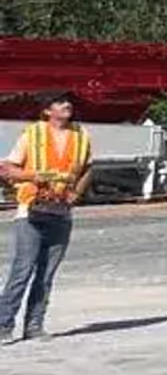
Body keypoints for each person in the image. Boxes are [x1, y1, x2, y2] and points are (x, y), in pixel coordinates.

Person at [0, 93, 91, 342]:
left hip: (61, 212)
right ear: (47, 111)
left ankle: (34, 326)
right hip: (31, 211)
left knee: (46, 274)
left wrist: (77, 193)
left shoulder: (81, 136)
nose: (67, 105)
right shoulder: (32, 135)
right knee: (23, 269)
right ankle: (3, 325)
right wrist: (34, 176)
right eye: (60, 102)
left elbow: (88, 169)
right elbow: (7, 169)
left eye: (69, 102)